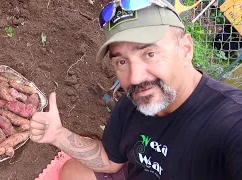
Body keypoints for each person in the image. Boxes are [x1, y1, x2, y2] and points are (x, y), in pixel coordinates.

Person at [28, 0, 242, 180]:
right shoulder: (132, 103)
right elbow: (111, 160)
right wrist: (58, 134)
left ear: (186, 49)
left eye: (149, 54)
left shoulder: (230, 122)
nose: (135, 78)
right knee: (73, 171)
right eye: (122, 61)